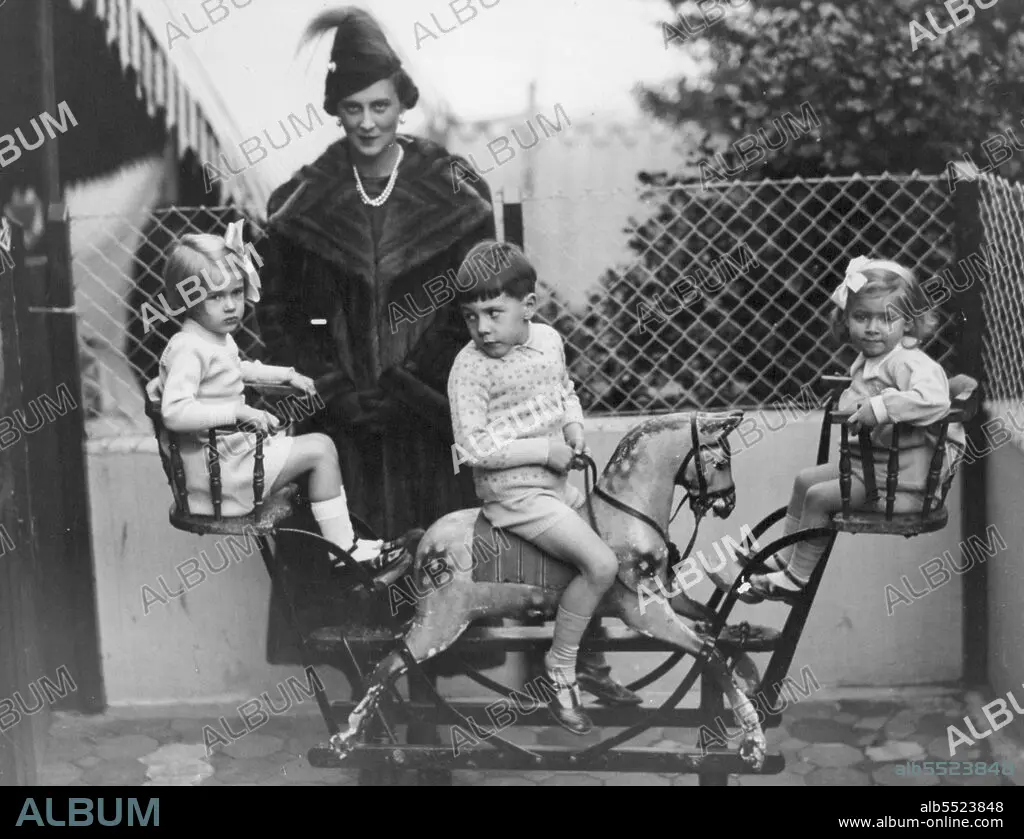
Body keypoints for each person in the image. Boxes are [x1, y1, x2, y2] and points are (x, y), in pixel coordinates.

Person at [449, 240, 630, 735]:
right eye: (470, 317)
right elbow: (472, 447)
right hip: (515, 497)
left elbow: (564, 390)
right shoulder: (470, 367)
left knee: (613, 551)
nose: (482, 328)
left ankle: (592, 664)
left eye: (494, 312)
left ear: (528, 306)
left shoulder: (549, 340)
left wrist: (573, 428)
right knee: (601, 565)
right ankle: (562, 668)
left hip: (557, 488)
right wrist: (545, 451)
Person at [151, 224, 400, 567]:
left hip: (231, 457)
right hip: (220, 476)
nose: (231, 306)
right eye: (216, 297)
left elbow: (238, 369)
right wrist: (238, 413)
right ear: (187, 300)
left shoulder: (211, 338)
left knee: (316, 447)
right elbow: (175, 413)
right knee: (321, 450)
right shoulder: (188, 349)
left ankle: (344, 542)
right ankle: (343, 549)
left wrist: (286, 375)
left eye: (237, 292)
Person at [732, 256, 966, 602]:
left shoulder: (909, 362)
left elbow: (935, 401)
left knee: (819, 497)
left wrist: (880, 407)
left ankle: (795, 579)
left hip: (902, 485)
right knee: (805, 480)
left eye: (886, 318)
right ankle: (784, 559)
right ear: (846, 319)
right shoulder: (872, 360)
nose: (873, 327)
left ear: (909, 322)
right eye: (861, 317)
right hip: (871, 469)